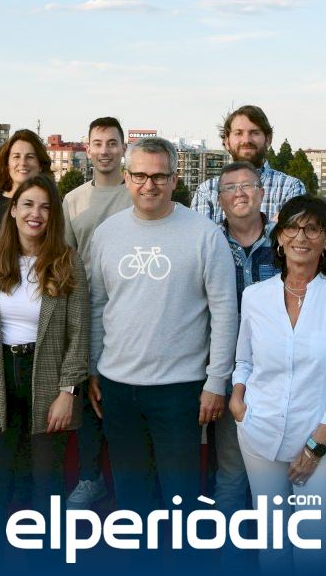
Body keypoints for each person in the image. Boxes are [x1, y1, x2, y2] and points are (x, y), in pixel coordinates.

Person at [87, 136, 237, 520]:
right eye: (139, 175)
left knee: (181, 499)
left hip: (180, 390)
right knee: (131, 498)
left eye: (159, 176)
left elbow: (224, 313)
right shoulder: (107, 233)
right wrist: (93, 367)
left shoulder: (205, 235)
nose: (148, 185)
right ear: (126, 177)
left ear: (174, 179)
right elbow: (98, 304)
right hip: (118, 389)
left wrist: (216, 382)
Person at [230, 195, 326, 574]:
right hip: (259, 433)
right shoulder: (255, 296)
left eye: (313, 228)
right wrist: (238, 401)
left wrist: (315, 446)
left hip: (318, 441)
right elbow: (244, 360)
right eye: (292, 227)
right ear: (279, 236)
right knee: (272, 546)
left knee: (314, 548)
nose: (301, 237)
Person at [0, 174, 89, 560]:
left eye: (46, 207)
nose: (36, 214)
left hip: (48, 378)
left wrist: (68, 393)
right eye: (29, 204)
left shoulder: (67, 262)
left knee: (46, 485)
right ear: (14, 210)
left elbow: (79, 332)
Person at [61, 116, 132, 510]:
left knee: (123, 398)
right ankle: (91, 478)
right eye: (98, 143)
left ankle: (128, 484)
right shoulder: (73, 200)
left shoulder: (137, 193)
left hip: (131, 311)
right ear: (87, 149)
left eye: (112, 143)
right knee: (88, 398)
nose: (105, 151)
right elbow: (65, 259)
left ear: (123, 148)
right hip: (86, 311)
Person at [210, 160, 276, 565]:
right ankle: (228, 559)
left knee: (277, 475)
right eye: (229, 188)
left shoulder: (286, 241)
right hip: (225, 371)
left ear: (262, 193)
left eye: (247, 185)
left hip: (277, 375)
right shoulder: (208, 242)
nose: (239, 193)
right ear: (219, 200)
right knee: (231, 473)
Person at [190, 105, 305, 224]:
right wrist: (274, 226)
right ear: (226, 141)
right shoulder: (207, 191)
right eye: (238, 133)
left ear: (268, 139)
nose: (246, 140)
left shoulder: (290, 187)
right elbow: (199, 235)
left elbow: (294, 234)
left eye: (254, 133)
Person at [0, 129, 51, 238]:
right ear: (7, 164)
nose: (23, 163)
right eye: (16, 156)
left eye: (30, 157)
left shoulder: (53, 203)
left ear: (40, 164)